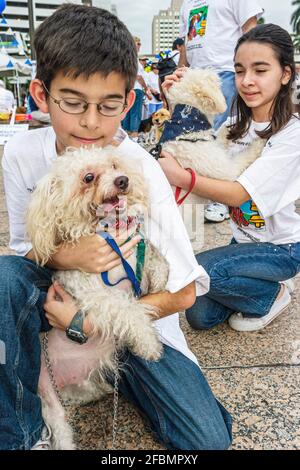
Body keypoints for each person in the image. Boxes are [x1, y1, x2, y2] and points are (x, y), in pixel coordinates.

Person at [0, 4, 232, 450]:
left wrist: (91, 324)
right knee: (4, 278)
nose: (90, 121)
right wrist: (66, 254)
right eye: (72, 102)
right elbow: (21, 256)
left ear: (129, 103)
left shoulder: (142, 174)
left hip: (136, 317)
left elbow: (184, 293)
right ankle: (21, 435)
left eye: (107, 106)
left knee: (207, 441)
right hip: (61, 302)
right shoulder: (21, 155)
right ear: (40, 95)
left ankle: (113, 373)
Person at [159, 24, 300, 333]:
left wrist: (181, 177)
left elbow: (237, 195)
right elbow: (196, 150)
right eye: (239, 71)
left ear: (286, 74)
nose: (247, 81)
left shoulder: (292, 134)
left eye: (260, 70)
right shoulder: (235, 124)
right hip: (241, 241)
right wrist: (177, 101)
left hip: (281, 249)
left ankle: (272, 293)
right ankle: (246, 282)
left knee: (201, 273)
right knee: (199, 316)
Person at [164, 0, 263, 223]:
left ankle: (220, 197)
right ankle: (197, 192)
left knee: (217, 133)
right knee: (192, 140)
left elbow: (251, 30)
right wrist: (181, 72)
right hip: (194, 77)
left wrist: (251, 69)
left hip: (225, 71)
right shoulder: (187, 4)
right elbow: (185, 44)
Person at [121, 37, 152, 141]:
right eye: (137, 44)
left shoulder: (126, 57)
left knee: (127, 112)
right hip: (136, 89)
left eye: (140, 44)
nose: (139, 46)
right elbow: (138, 76)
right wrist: (146, 88)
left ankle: (126, 135)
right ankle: (134, 136)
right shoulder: (133, 58)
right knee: (135, 112)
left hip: (128, 88)